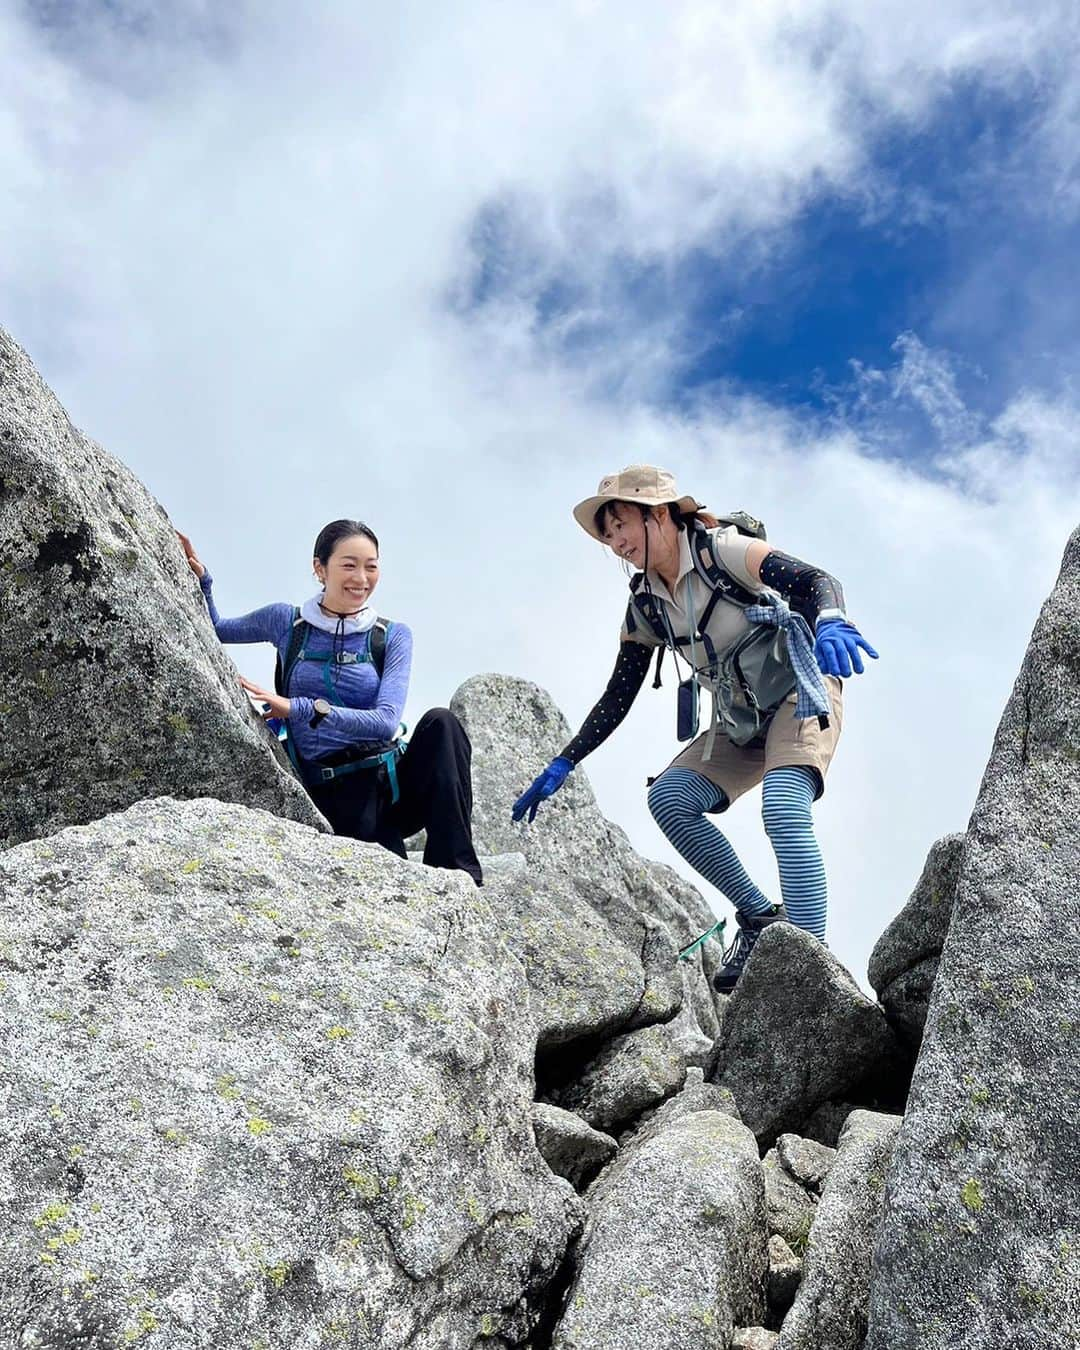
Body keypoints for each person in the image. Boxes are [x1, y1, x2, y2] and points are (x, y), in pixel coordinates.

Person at [511, 465, 877, 991]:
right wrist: (567, 759)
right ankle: (759, 918)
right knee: (670, 800)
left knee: (783, 805)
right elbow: (620, 693)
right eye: (607, 534)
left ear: (658, 512)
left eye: (621, 525)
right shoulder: (645, 605)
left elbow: (816, 581)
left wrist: (832, 619)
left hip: (798, 691)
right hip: (740, 717)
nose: (615, 541)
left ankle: (807, 965)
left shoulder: (721, 552)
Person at [179, 519, 482, 885]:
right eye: (349, 565)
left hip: (385, 787)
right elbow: (217, 629)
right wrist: (202, 580)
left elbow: (386, 721)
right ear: (319, 568)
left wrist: (300, 708)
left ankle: (458, 877)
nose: (362, 577)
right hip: (328, 790)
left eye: (371, 566)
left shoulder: (392, 636)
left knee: (442, 724)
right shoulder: (287, 623)